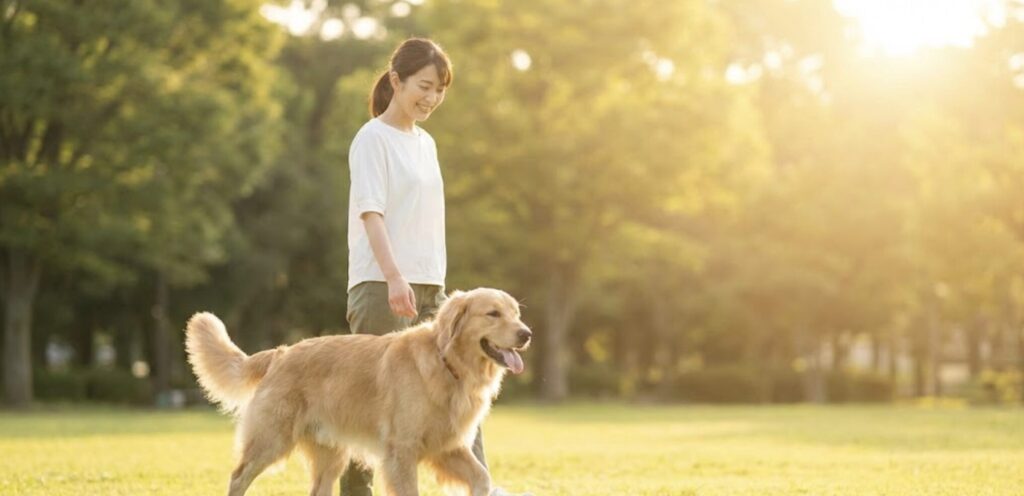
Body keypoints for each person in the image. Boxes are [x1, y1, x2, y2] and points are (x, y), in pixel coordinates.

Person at [341, 38, 530, 496]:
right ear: (396, 81)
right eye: (424, 86)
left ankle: (480, 487)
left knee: (465, 389)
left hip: (432, 288)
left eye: (440, 89)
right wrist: (393, 276)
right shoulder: (372, 139)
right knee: (373, 409)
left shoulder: (425, 143)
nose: (431, 98)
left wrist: (433, 282)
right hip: (382, 285)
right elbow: (372, 213)